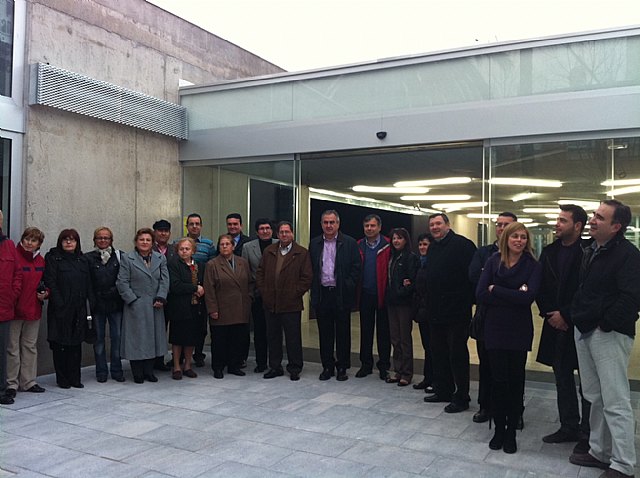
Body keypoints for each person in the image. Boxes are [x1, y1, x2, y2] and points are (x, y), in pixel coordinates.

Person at [569, 200, 640, 478]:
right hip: (585, 329)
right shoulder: (592, 249)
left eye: (600, 217)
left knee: (615, 399)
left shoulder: (628, 255)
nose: (592, 220)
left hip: (608, 334)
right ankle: (600, 451)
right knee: (594, 396)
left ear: (616, 226)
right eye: (594, 215)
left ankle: (623, 464)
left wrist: (605, 323)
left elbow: (631, 298)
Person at [476, 222, 541, 454]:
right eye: (515, 236)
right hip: (494, 329)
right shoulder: (493, 261)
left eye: (523, 237)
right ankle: (499, 429)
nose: (519, 241)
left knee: (516, 381)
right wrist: (515, 293)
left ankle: (511, 431)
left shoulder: (532, 265)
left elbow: (528, 298)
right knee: (498, 381)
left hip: (518, 330)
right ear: (506, 238)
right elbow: (480, 293)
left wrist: (497, 289)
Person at [536, 205, 591, 447]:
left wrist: (566, 315)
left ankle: (588, 432)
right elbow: (540, 286)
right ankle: (568, 426)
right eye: (557, 219)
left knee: (587, 382)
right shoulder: (549, 252)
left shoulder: (589, 251)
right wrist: (551, 315)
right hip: (555, 325)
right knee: (562, 378)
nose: (557, 224)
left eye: (563, 220)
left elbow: (589, 290)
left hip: (581, 325)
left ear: (577, 226)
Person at [423, 212, 476, 413]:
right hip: (435, 310)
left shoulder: (463, 245)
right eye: (432, 225)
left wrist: (466, 302)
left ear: (448, 225)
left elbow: (472, 277)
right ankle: (443, 389)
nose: (435, 228)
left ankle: (462, 396)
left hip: (457, 312)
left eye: (438, 224)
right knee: (438, 352)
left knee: (457, 354)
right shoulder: (433, 247)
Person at [468, 212, 517, 424]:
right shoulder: (483, 253)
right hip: (486, 316)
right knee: (486, 364)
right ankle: (486, 406)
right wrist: (508, 290)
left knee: (512, 367)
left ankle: (514, 411)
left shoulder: (525, 256)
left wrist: (494, 286)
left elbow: (526, 289)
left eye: (507, 225)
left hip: (513, 319)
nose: (501, 228)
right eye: (499, 224)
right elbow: (475, 280)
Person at [257, 221, 313, 381]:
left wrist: (295, 293)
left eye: (287, 232)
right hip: (271, 302)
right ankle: (275, 367)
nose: (284, 235)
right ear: (277, 234)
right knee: (273, 337)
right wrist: (264, 291)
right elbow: (260, 273)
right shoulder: (269, 251)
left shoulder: (301, 253)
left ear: (292, 234)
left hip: (291, 303)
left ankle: (295, 367)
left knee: (293, 338)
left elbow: (307, 277)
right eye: (281, 232)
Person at [309, 210, 361, 381]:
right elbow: (311, 268)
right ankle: (327, 366)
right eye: (326, 222)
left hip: (341, 294)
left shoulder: (349, 243)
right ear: (321, 224)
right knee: (325, 334)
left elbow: (356, 267)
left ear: (338, 224)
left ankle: (342, 367)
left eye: (332, 222)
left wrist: (348, 285)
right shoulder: (314, 243)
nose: (329, 225)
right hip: (323, 294)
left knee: (343, 333)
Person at [117, 228, 169, 384]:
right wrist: (132, 300)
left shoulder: (160, 258)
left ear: (152, 243)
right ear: (136, 241)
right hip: (136, 305)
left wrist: (161, 297)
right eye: (141, 239)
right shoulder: (127, 258)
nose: (145, 242)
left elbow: (165, 280)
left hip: (155, 304)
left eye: (148, 240)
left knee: (153, 339)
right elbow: (122, 282)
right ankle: (137, 372)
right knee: (137, 339)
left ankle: (149, 371)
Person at [44, 229, 93, 389]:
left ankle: (75, 378)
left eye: (72, 240)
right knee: (60, 344)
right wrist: (59, 303)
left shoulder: (82, 259)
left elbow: (88, 283)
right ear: (60, 242)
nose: (69, 242)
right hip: (60, 308)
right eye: (65, 240)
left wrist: (89, 304)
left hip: (79, 308)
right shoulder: (53, 257)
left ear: (77, 243)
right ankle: (62, 379)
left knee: (75, 344)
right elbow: (50, 281)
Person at [6, 227, 47, 400]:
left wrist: (46, 293)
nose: (29, 243)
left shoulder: (41, 261)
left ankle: (28, 381)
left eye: (34, 240)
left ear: (39, 244)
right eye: (27, 239)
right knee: (12, 348)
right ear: (22, 240)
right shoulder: (14, 256)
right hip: (14, 311)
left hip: (33, 310)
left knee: (30, 347)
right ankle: (11, 383)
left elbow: (46, 282)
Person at [204, 234, 252, 379]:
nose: (224, 247)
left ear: (233, 246)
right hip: (221, 308)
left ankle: (234, 365)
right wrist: (212, 309)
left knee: (237, 339)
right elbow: (209, 289)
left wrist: (249, 298)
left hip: (240, 307)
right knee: (220, 340)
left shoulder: (242, 262)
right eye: (222, 244)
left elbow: (250, 282)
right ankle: (218, 367)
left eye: (227, 244)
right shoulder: (212, 264)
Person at [85, 227, 125, 383]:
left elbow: (124, 278)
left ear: (111, 240)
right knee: (99, 340)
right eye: (99, 238)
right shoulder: (88, 258)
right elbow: (87, 282)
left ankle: (117, 370)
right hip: (97, 306)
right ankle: (101, 371)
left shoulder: (120, 257)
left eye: (106, 238)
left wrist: (114, 291)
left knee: (117, 338)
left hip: (116, 304)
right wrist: (94, 298)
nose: (103, 240)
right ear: (94, 240)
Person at [356, 214, 391, 380]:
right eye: (366, 226)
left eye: (372, 225)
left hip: (383, 294)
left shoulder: (388, 245)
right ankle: (366, 365)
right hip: (365, 294)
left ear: (379, 227)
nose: (369, 229)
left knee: (384, 333)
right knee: (366, 331)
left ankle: (384, 366)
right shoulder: (358, 245)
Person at [165, 238, 205, 380]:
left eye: (187, 249)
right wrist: (194, 288)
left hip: (195, 307)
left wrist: (200, 289)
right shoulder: (173, 264)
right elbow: (175, 285)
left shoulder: (199, 265)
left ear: (193, 251)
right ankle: (177, 366)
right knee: (178, 338)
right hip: (179, 307)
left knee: (191, 338)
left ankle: (188, 365)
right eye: (181, 249)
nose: (184, 251)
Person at [242, 218, 277, 373]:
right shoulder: (248, 247)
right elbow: (245, 271)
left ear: (272, 230)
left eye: (268, 228)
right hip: (257, 295)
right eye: (262, 228)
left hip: (276, 295)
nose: (265, 231)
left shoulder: (279, 244)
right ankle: (261, 362)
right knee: (259, 331)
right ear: (257, 232)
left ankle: (275, 362)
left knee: (274, 331)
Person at [385, 228, 419, 387]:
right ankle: (397, 370)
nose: (396, 241)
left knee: (405, 339)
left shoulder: (410, 258)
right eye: (394, 238)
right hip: (391, 302)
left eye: (399, 238)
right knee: (395, 338)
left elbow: (412, 282)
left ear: (406, 240)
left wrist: (402, 290)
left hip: (404, 303)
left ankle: (407, 373)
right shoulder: (392, 257)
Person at [185, 213, 216, 367]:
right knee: (184, 324)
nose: (194, 226)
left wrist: (203, 287)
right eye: (191, 224)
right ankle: (182, 356)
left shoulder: (208, 244)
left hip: (203, 290)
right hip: (184, 290)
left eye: (197, 223)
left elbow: (212, 266)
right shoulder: (179, 242)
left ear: (201, 226)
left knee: (201, 325)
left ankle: (198, 354)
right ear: (187, 226)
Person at [0, 210, 22, 405]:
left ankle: (1, 390)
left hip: (4, 308)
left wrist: (12, 295)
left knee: (1, 352)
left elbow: (17, 274)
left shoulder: (8, 245)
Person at [413, 233, 434, 393]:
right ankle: (428, 378)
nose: (422, 247)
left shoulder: (434, 264)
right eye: (420, 244)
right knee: (427, 346)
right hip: (422, 312)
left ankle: (436, 379)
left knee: (435, 347)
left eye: (425, 244)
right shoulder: (419, 263)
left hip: (433, 311)